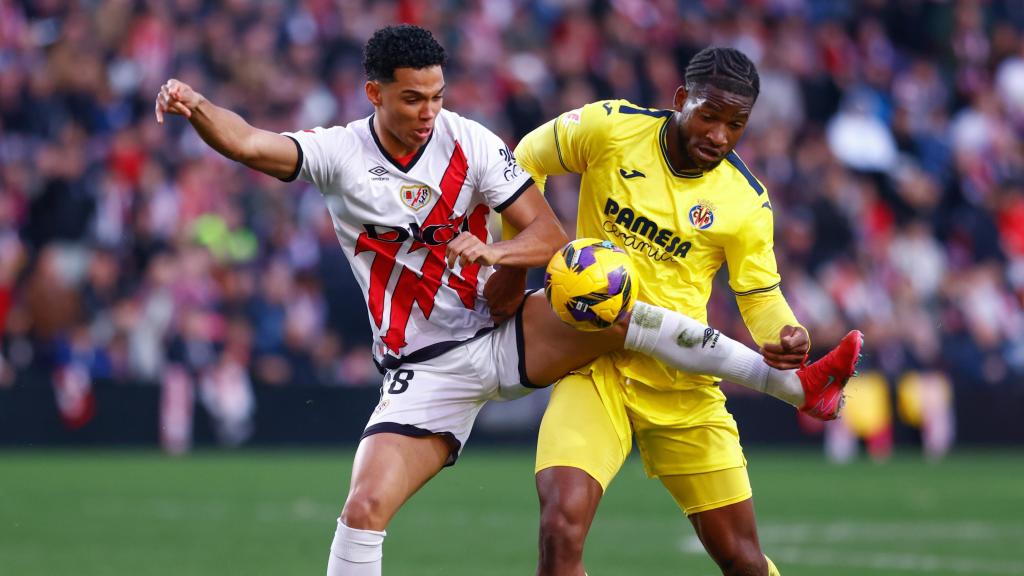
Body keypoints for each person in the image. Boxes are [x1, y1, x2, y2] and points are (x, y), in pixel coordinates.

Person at [156, 26, 859, 576]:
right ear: (374, 94)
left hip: (540, 339)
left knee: (597, 280)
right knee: (372, 508)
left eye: (437, 95)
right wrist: (195, 106)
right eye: (412, 99)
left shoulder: (473, 142)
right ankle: (798, 388)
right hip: (428, 366)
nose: (430, 112)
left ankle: (797, 386)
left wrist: (496, 256)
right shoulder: (342, 154)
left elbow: (551, 234)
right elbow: (251, 143)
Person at [513, 47, 852, 576]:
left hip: (682, 384)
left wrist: (786, 332)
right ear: (680, 100)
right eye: (709, 115)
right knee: (560, 526)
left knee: (743, 560)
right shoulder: (608, 128)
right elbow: (524, 161)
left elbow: (760, 295)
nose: (720, 134)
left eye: (736, 124)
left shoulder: (745, 202)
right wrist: (525, 253)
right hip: (593, 367)